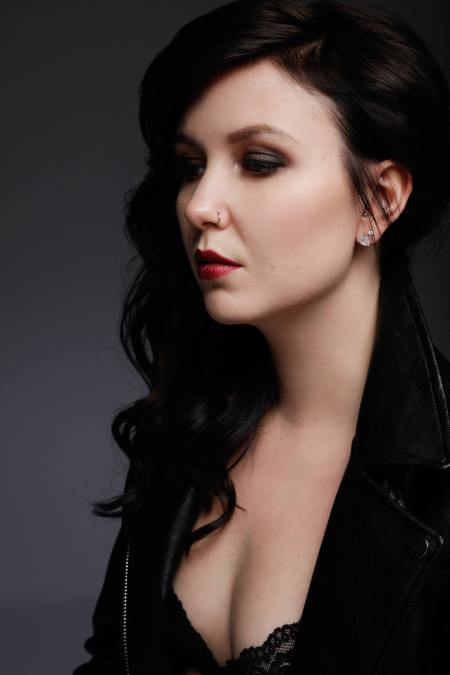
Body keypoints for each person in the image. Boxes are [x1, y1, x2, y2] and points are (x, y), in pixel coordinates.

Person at [72, 1, 450, 673]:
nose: (198, 205)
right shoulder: (187, 426)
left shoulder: (438, 477)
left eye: (259, 160)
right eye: (191, 165)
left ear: (381, 199)